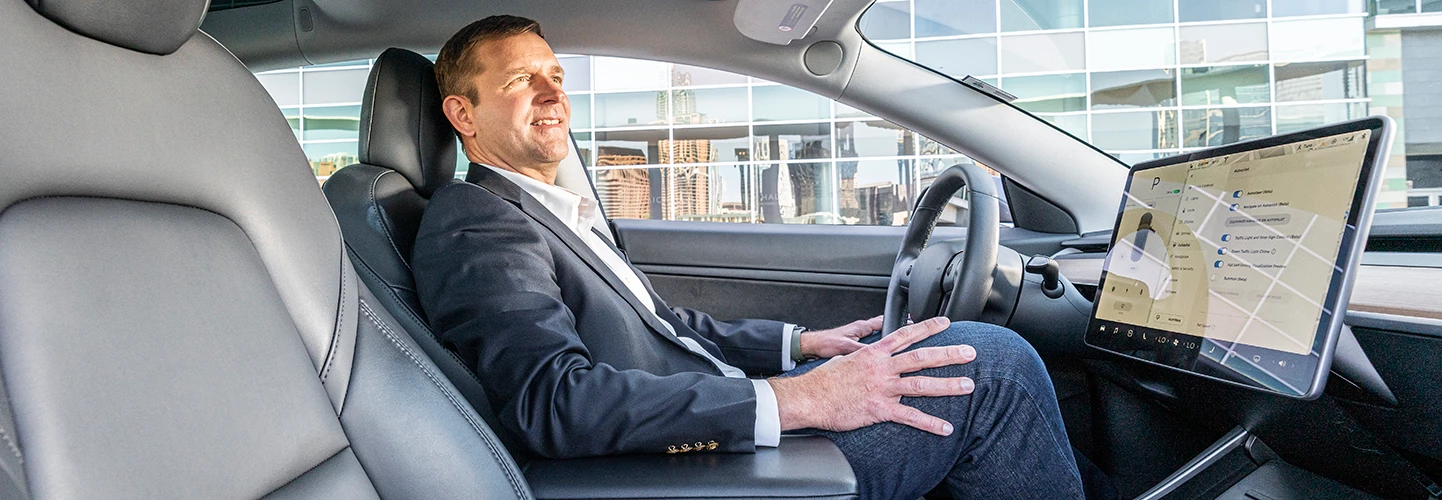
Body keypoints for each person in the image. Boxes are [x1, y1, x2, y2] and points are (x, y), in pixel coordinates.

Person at [412, 15, 1085, 499]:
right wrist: (796, 400)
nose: (553, 93)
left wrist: (803, 346)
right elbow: (555, 402)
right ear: (463, 115)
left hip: (713, 428)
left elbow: (666, 327)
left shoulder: (549, 210)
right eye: (519, 82)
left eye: (556, 75)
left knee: (946, 357)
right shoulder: (476, 222)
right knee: (991, 366)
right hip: (685, 467)